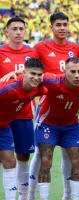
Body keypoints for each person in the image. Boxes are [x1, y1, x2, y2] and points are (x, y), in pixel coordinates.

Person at [29, 12, 79, 200]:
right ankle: (32, 194)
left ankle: (67, 195)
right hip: (48, 105)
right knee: (40, 154)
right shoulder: (41, 48)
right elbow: (31, 70)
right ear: (51, 27)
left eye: (65, 24)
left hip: (69, 107)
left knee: (70, 155)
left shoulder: (76, 48)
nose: (62, 28)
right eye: (58, 24)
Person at [34, 57, 79, 200]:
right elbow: (31, 74)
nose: (77, 75)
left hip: (71, 126)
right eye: (73, 71)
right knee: (46, 160)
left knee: (78, 160)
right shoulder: (52, 80)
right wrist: (15, 73)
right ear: (64, 71)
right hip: (47, 124)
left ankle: (74, 197)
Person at [0, 16, 38, 200]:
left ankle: (23, 197)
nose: (17, 32)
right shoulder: (0, 53)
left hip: (24, 114)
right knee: (6, 158)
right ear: (6, 32)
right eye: (13, 29)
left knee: (23, 156)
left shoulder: (33, 53)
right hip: (3, 115)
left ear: (25, 31)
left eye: (20, 29)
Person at [0, 58, 46, 200]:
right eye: (32, 74)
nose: (36, 78)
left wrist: (18, 71)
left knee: (10, 162)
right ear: (24, 73)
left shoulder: (38, 88)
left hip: (4, 127)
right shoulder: (7, 88)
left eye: (39, 75)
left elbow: (57, 79)